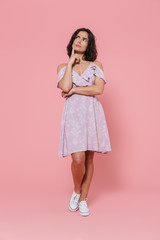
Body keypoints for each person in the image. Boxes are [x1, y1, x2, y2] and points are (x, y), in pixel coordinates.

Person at [57, 28, 112, 217]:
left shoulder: (97, 65)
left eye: (84, 39)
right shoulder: (63, 67)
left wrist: (74, 90)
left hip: (91, 113)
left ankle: (83, 200)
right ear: (72, 41)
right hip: (73, 116)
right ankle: (77, 189)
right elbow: (64, 86)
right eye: (77, 37)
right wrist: (71, 63)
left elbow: (98, 89)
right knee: (77, 159)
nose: (79, 41)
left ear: (89, 45)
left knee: (89, 158)